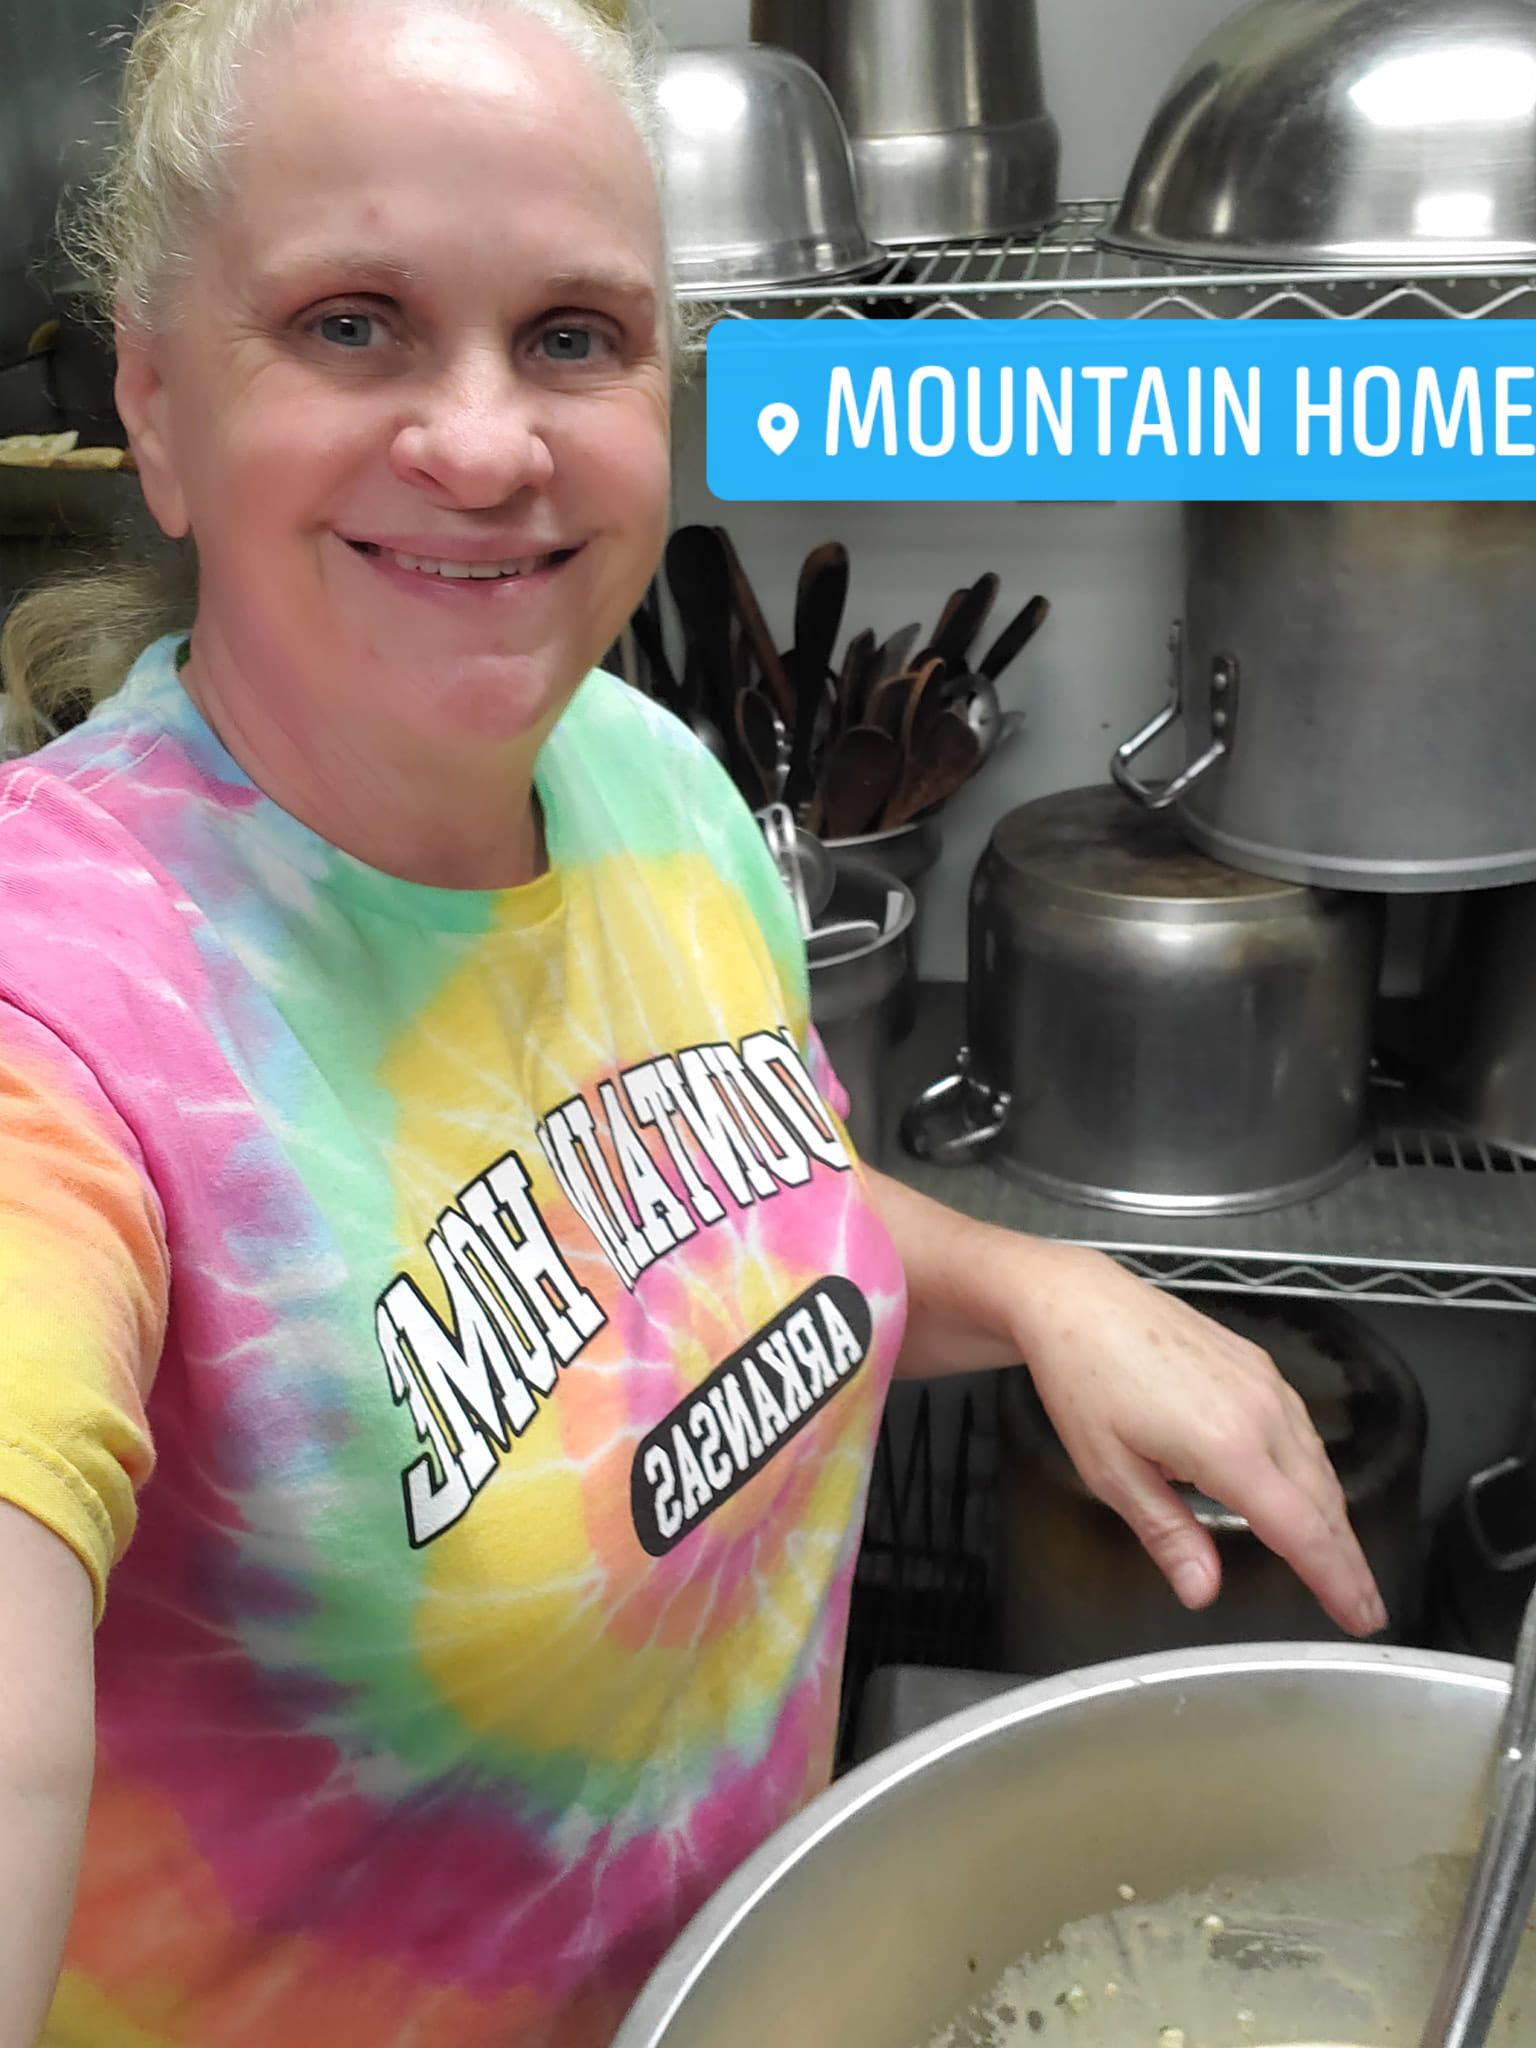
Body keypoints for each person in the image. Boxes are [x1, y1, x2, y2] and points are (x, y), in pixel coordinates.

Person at [0, 2, 1385, 2042]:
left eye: (575, 334)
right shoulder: (73, 1002)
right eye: (354, 322)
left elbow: (711, 1234)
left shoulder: (645, 779)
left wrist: (1038, 1282)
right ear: (157, 400)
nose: (486, 443)